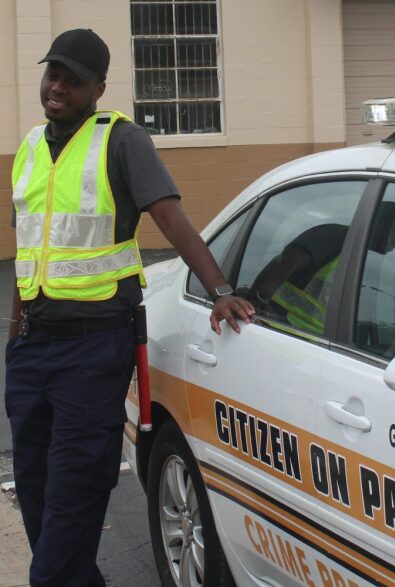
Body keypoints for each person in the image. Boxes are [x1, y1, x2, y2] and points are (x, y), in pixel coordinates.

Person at [4, 29, 255, 586]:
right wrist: (17, 334)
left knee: (74, 490)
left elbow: (169, 217)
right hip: (32, 350)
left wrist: (219, 290)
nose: (59, 87)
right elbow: (31, 244)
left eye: (73, 79)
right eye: (53, 75)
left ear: (99, 87)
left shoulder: (121, 139)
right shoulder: (29, 147)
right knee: (38, 489)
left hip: (92, 349)